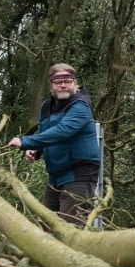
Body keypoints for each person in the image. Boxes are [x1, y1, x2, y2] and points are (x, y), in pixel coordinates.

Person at [8, 63, 102, 227]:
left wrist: (25, 141)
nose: (63, 85)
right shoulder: (47, 106)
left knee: (70, 230)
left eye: (68, 81)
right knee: (45, 226)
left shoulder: (80, 106)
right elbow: (46, 132)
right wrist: (36, 150)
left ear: (75, 83)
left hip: (78, 175)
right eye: (58, 82)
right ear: (51, 85)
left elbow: (62, 131)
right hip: (56, 176)